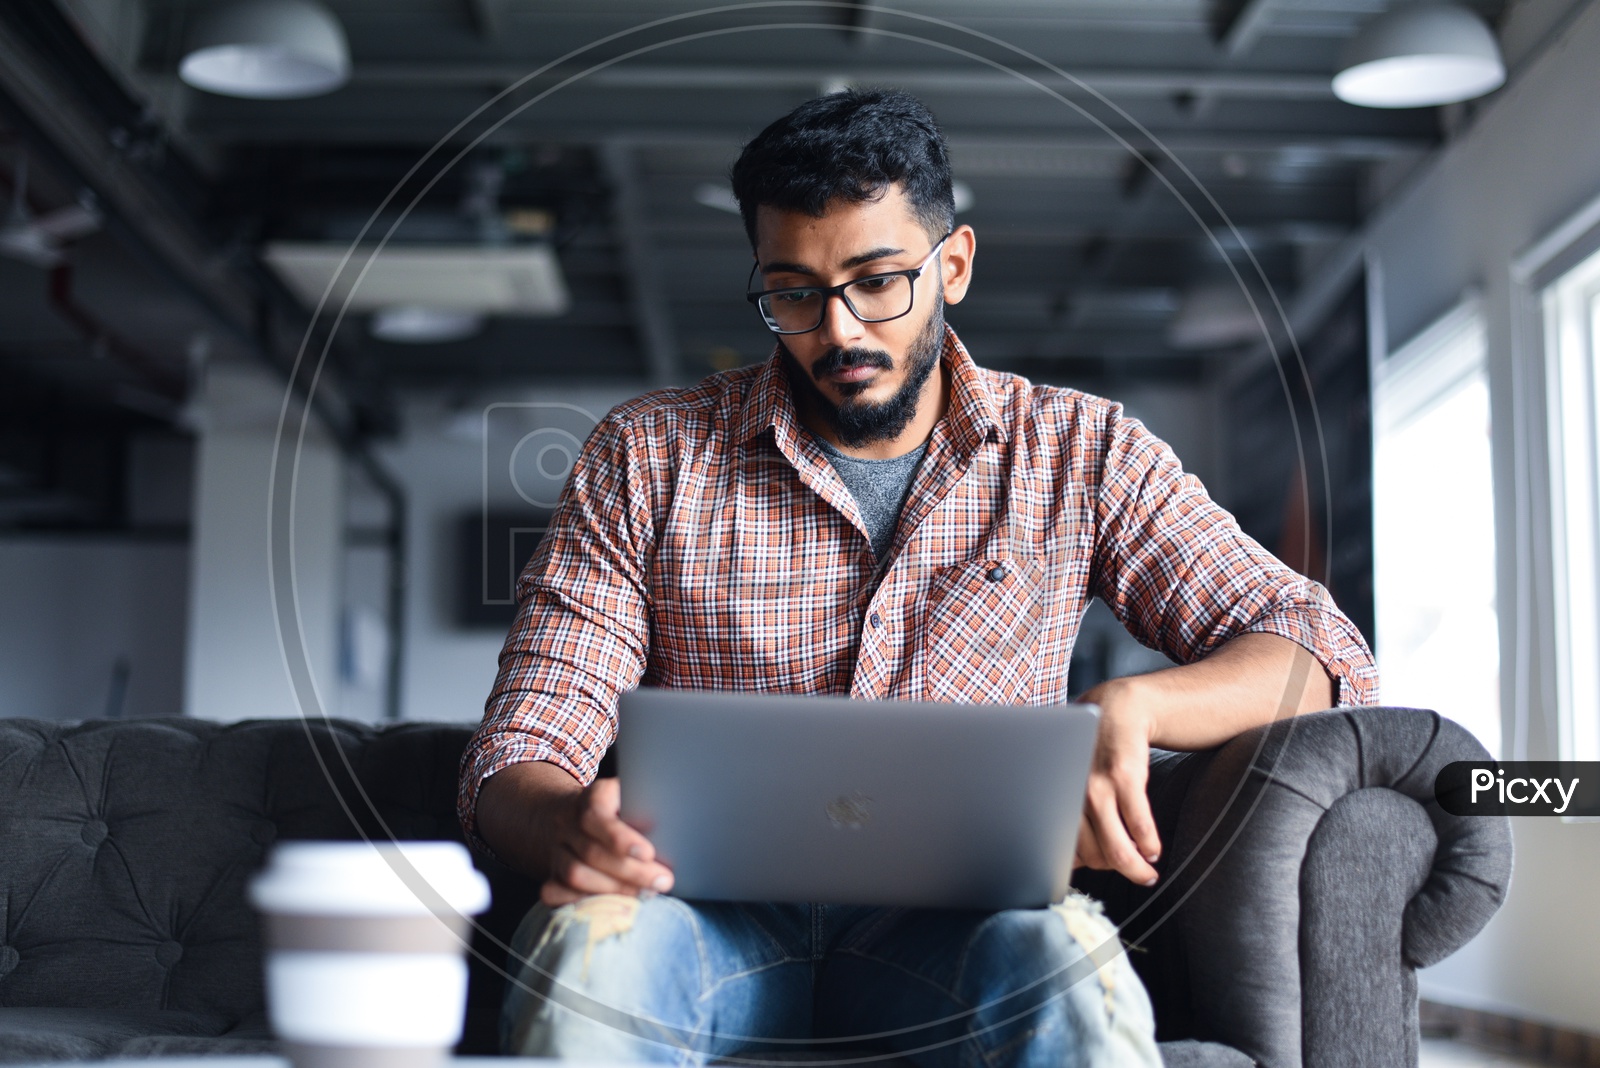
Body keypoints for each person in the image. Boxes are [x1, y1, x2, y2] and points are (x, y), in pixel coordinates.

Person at [458, 89, 1378, 1068]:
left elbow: (1318, 649)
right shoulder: (646, 455)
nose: (840, 331)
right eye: (795, 292)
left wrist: (1135, 707)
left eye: (878, 280)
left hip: (960, 934)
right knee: (589, 962)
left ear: (954, 264)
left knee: (1064, 965)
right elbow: (524, 739)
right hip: (699, 923)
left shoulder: (1081, 450)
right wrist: (561, 819)